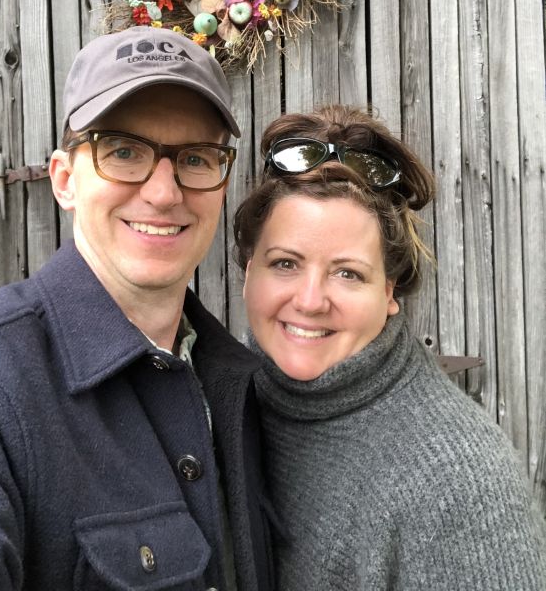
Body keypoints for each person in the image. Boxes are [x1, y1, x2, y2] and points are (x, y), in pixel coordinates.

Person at [0, 27, 274, 590]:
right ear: (65, 180)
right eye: (123, 151)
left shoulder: (245, 386)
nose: (164, 193)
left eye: (196, 157)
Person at [233, 104, 546, 590]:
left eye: (347, 273)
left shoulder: (457, 480)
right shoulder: (222, 397)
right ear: (250, 270)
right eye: (286, 263)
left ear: (389, 290)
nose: (310, 301)